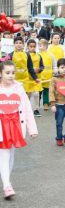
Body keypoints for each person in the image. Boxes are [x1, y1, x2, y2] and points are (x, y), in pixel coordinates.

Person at [0, 60, 38, 199]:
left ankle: (6, 180)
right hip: (2, 125)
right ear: (1, 73)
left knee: (11, 155)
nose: (11, 75)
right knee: (4, 154)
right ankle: (7, 186)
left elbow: (27, 109)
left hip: (16, 125)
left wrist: (32, 129)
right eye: (7, 73)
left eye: (13, 73)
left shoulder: (19, 88)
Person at [26, 39, 44, 117]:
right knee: (28, 95)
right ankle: (26, 108)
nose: (32, 48)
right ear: (27, 47)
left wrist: (39, 69)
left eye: (34, 46)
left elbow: (42, 66)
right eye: (31, 46)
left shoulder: (39, 56)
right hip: (28, 78)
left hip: (36, 78)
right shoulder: (25, 55)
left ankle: (36, 109)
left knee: (36, 94)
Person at [39, 39, 57, 111]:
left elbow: (54, 64)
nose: (39, 47)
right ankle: (37, 104)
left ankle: (45, 103)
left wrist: (55, 70)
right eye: (39, 45)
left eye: (41, 46)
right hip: (40, 75)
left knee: (47, 90)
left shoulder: (51, 55)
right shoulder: (38, 54)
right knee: (39, 90)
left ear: (46, 47)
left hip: (48, 75)